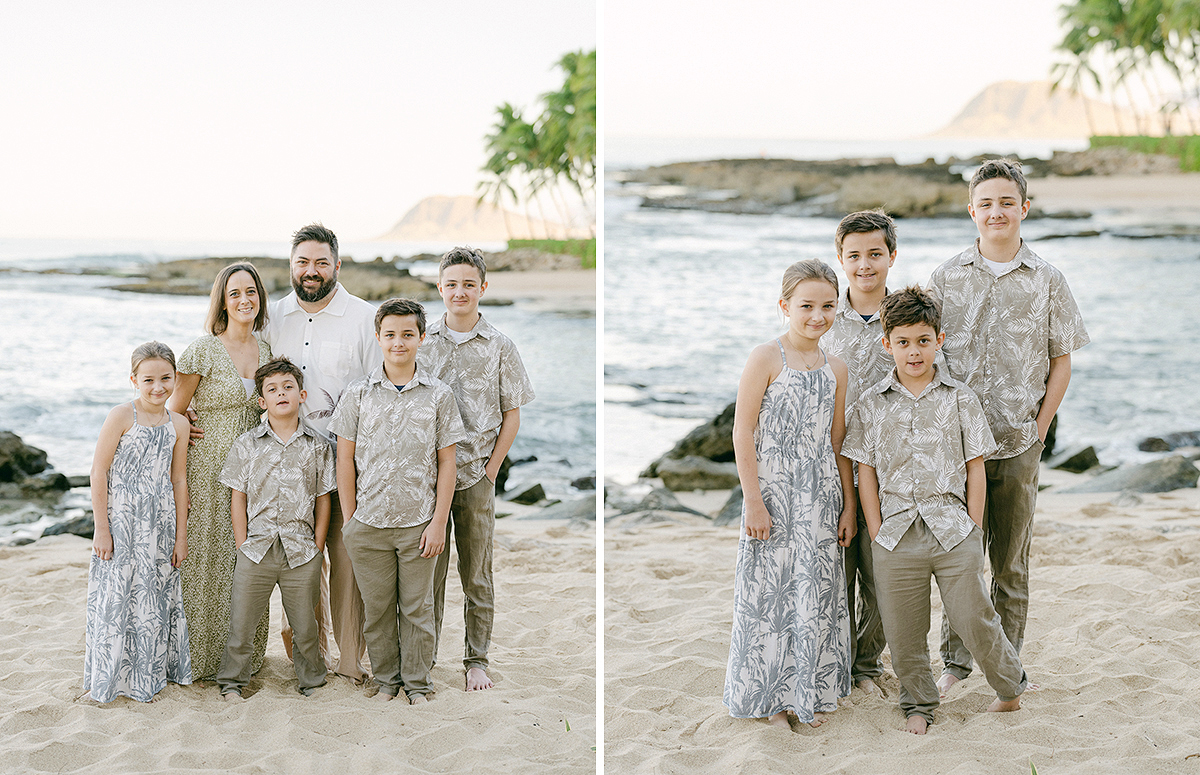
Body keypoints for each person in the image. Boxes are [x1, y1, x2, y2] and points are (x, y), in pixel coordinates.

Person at [926, 159, 1089, 696]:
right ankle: (954, 662)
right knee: (959, 555)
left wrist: (1041, 427)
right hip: (958, 445)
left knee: (1010, 561)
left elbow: (1061, 360)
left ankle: (1008, 669)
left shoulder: (1047, 279)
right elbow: (926, 354)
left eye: (1006, 202)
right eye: (985, 203)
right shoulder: (946, 277)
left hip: (1019, 440)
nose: (996, 211)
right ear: (972, 210)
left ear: (1023, 207)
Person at [842, 286, 1027, 734]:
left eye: (923, 340)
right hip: (895, 533)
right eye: (903, 342)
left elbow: (975, 468)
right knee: (905, 630)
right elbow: (864, 471)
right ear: (887, 344)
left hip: (953, 529)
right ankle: (919, 705)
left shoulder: (961, 398)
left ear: (939, 340)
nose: (914, 351)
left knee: (973, 616)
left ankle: (1010, 687)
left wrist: (974, 528)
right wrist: (877, 527)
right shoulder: (870, 405)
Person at [723, 259, 857, 730]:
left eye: (827, 305)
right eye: (806, 306)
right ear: (784, 306)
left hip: (820, 498)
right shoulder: (765, 356)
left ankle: (809, 691)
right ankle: (772, 701)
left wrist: (850, 505)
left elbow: (839, 442)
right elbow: (742, 433)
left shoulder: (837, 367)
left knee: (813, 595)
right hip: (774, 495)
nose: (817, 315)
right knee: (770, 598)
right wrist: (753, 500)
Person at [329, 298, 467, 704]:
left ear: (422, 338)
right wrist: (351, 520)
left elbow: (447, 463)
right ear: (378, 338)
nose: (399, 343)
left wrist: (439, 521)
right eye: (390, 335)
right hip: (368, 524)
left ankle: (418, 683)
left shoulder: (439, 396)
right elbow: (344, 459)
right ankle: (387, 679)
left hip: (418, 524)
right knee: (378, 610)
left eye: (407, 334)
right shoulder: (357, 394)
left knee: (416, 610)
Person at [262, 223, 378, 683]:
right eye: (302, 263)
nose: (311, 272)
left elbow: (378, 389)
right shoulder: (271, 318)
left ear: (337, 265)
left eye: (320, 262)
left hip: (347, 461)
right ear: (291, 266)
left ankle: (350, 659)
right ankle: (308, 654)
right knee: (299, 561)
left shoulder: (365, 318)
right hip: (287, 465)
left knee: (346, 560)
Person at [419, 247, 535, 692]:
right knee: (428, 571)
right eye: (451, 284)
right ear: (440, 288)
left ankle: (476, 660)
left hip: (475, 478)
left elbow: (513, 414)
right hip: (427, 479)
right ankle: (425, 658)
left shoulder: (501, 346)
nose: (460, 292)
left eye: (469, 284)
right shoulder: (423, 340)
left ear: (483, 288)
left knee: (477, 572)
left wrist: (491, 470)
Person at [169, 262, 273, 679]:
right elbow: (173, 412)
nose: (244, 300)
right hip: (207, 468)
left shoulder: (267, 350)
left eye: (251, 292)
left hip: (254, 472)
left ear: (260, 297)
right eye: (235, 294)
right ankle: (196, 659)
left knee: (244, 560)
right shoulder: (202, 350)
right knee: (203, 562)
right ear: (223, 302)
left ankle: (242, 657)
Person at [216, 358, 336, 701]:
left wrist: (317, 544)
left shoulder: (317, 445)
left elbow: (323, 498)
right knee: (242, 624)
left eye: (287, 387)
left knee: (305, 627)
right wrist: (242, 542)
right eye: (272, 389)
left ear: (302, 394)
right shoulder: (247, 444)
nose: (280, 393)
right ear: (261, 401)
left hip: (302, 551)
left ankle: (311, 680)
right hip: (256, 548)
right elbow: (237, 496)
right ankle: (232, 683)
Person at [84, 342, 192, 702]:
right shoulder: (120, 416)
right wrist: (101, 528)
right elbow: (98, 472)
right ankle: (110, 678)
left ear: (176, 378)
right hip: (122, 522)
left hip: (159, 525)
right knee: (117, 598)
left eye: (165, 378)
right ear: (134, 380)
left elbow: (179, 479)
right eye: (148, 379)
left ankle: (147, 676)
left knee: (152, 601)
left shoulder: (178, 423)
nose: (158, 387)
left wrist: (181, 537)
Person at [820, 209, 896, 695]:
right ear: (841, 259)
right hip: (831, 464)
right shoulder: (825, 317)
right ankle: (838, 665)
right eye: (854, 255)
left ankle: (867, 665)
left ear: (892, 256)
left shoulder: (906, 313)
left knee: (882, 574)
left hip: (893, 466)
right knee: (836, 572)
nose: (864, 265)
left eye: (875, 254)